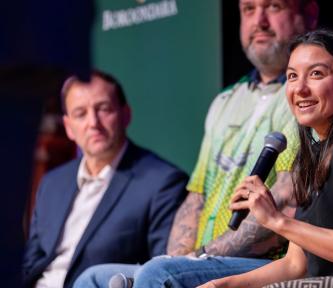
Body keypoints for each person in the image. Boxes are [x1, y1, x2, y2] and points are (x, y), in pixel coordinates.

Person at [73, 0, 319, 287]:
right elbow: (196, 197)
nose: (259, 21)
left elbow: (287, 199)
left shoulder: (304, 100)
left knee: (159, 275)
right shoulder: (225, 101)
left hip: (260, 264)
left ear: (309, 14)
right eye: (249, 10)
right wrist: (178, 258)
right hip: (202, 259)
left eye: (273, 7)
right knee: (93, 279)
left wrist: (199, 256)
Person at [198, 29, 333, 287]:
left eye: (316, 74)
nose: (300, 88)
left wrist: (276, 220)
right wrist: (224, 285)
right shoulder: (313, 156)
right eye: (292, 76)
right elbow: (297, 265)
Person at [22, 70, 189, 288]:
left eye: (103, 109)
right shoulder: (52, 182)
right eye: (80, 113)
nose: (93, 122)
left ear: (126, 114)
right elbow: (31, 260)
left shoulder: (163, 182)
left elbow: (158, 273)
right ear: (69, 127)